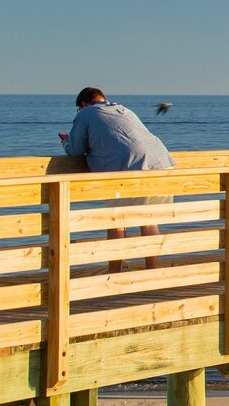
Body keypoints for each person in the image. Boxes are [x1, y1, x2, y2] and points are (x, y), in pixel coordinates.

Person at [63, 87, 176, 272]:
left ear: (83, 104)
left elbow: (76, 149)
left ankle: (115, 271)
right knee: (149, 220)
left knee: (116, 221)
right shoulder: (123, 109)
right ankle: (152, 270)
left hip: (131, 167)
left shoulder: (86, 114)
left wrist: (65, 143)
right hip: (161, 163)